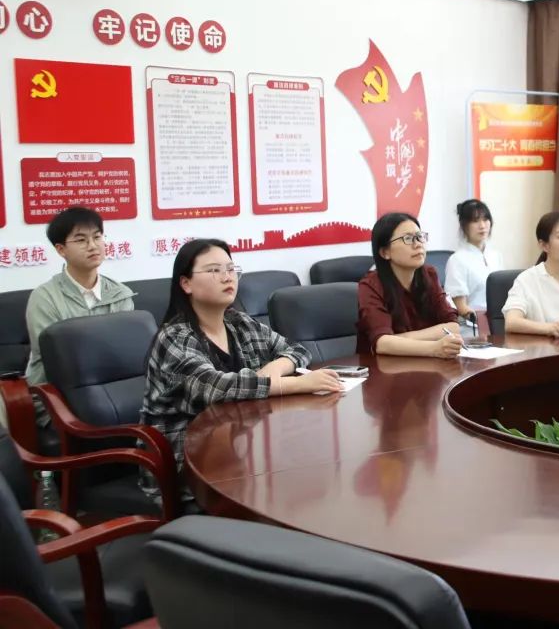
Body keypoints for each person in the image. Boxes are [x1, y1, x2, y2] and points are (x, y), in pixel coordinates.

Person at [140, 239, 342, 501]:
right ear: (186, 284)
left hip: (238, 450)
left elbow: (297, 350)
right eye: (214, 270)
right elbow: (216, 388)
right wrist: (296, 384)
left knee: (310, 480)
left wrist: (274, 368)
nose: (227, 277)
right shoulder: (174, 338)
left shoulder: (238, 323)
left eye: (231, 269)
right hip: (185, 463)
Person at [25, 206, 135, 428]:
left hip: (114, 390)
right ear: (61, 249)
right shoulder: (45, 298)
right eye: (81, 240)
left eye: (97, 237)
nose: (93, 245)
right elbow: (55, 360)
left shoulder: (121, 294)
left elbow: (128, 356)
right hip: (59, 395)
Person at [357, 212, 462, 357]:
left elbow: (453, 327)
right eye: (408, 238)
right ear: (385, 252)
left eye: (419, 237)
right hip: (382, 367)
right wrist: (434, 348)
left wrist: (398, 340)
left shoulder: (429, 275)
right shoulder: (370, 286)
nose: (418, 244)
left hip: (424, 361)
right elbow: (382, 344)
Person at [444, 199, 504, 318]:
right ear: (464, 226)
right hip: (473, 323)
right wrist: (482, 322)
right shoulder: (457, 260)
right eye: (475, 221)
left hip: (499, 319)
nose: (482, 226)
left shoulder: (496, 256)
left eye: (485, 219)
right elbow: (461, 308)